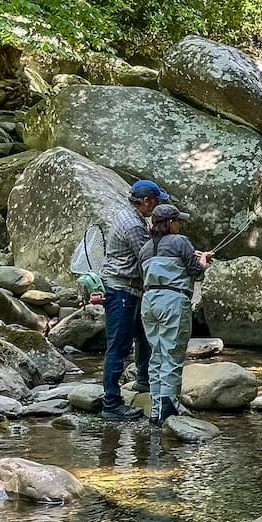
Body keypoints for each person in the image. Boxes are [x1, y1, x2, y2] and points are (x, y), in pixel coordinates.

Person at [100, 179, 169, 421]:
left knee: (144, 336)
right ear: (145, 201)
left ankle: (143, 381)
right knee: (118, 347)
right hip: (121, 291)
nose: (157, 206)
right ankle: (111, 403)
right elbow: (149, 259)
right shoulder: (133, 225)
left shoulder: (129, 216)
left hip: (130, 290)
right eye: (156, 201)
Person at [139, 203, 211, 426]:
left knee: (157, 356)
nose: (181, 224)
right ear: (170, 223)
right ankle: (168, 410)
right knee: (172, 355)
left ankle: (156, 409)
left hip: (149, 302)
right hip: (173, 300)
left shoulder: (145, 248)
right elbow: (195, 271)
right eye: (179, 220)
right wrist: (203, 260)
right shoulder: (181, 241)